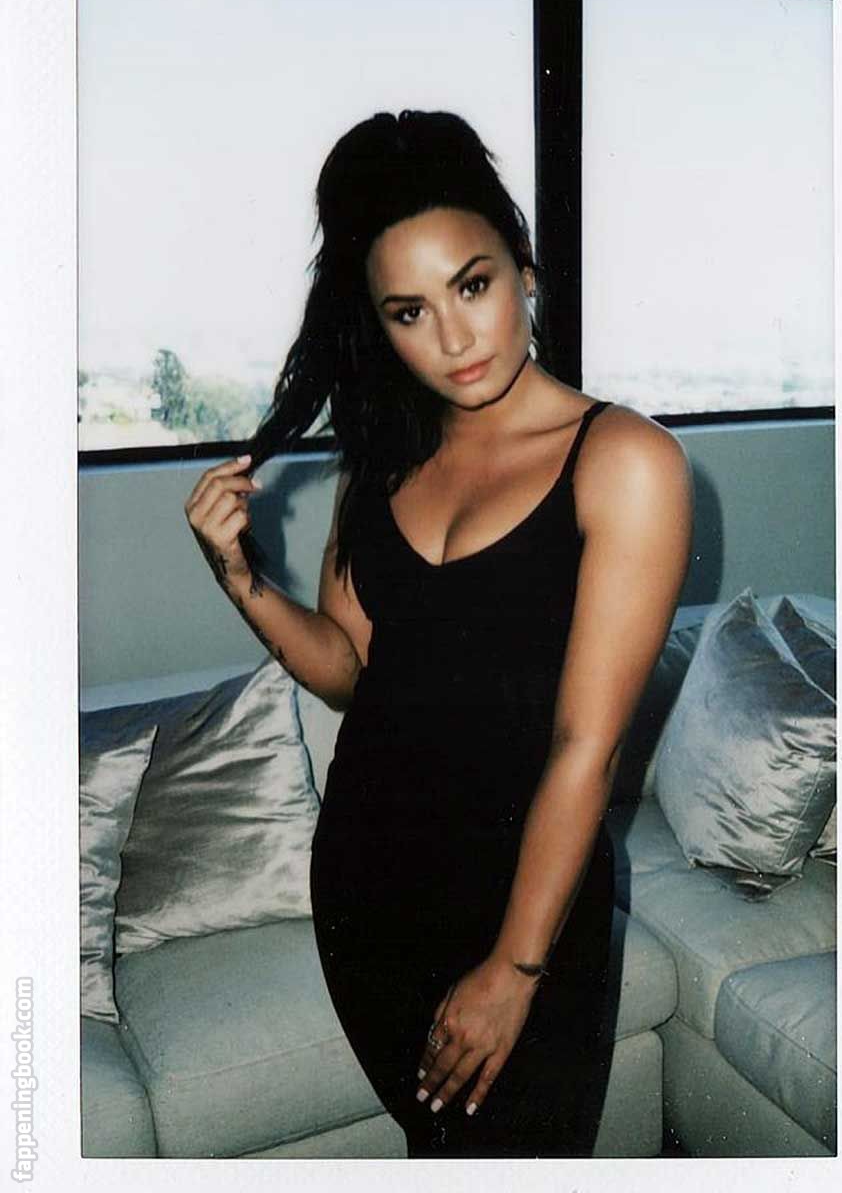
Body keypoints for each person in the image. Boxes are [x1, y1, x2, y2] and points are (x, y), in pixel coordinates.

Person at [184, 109, 694, 1157]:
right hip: (365, 886)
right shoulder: (383, 458)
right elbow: (349, 670)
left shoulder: (624, 461)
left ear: (526, 272)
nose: (454, 339)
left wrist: (514, 968)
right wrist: (241, 578)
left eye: (473, 285)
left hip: (523, 909)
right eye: (410, 311)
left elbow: (584, 747)